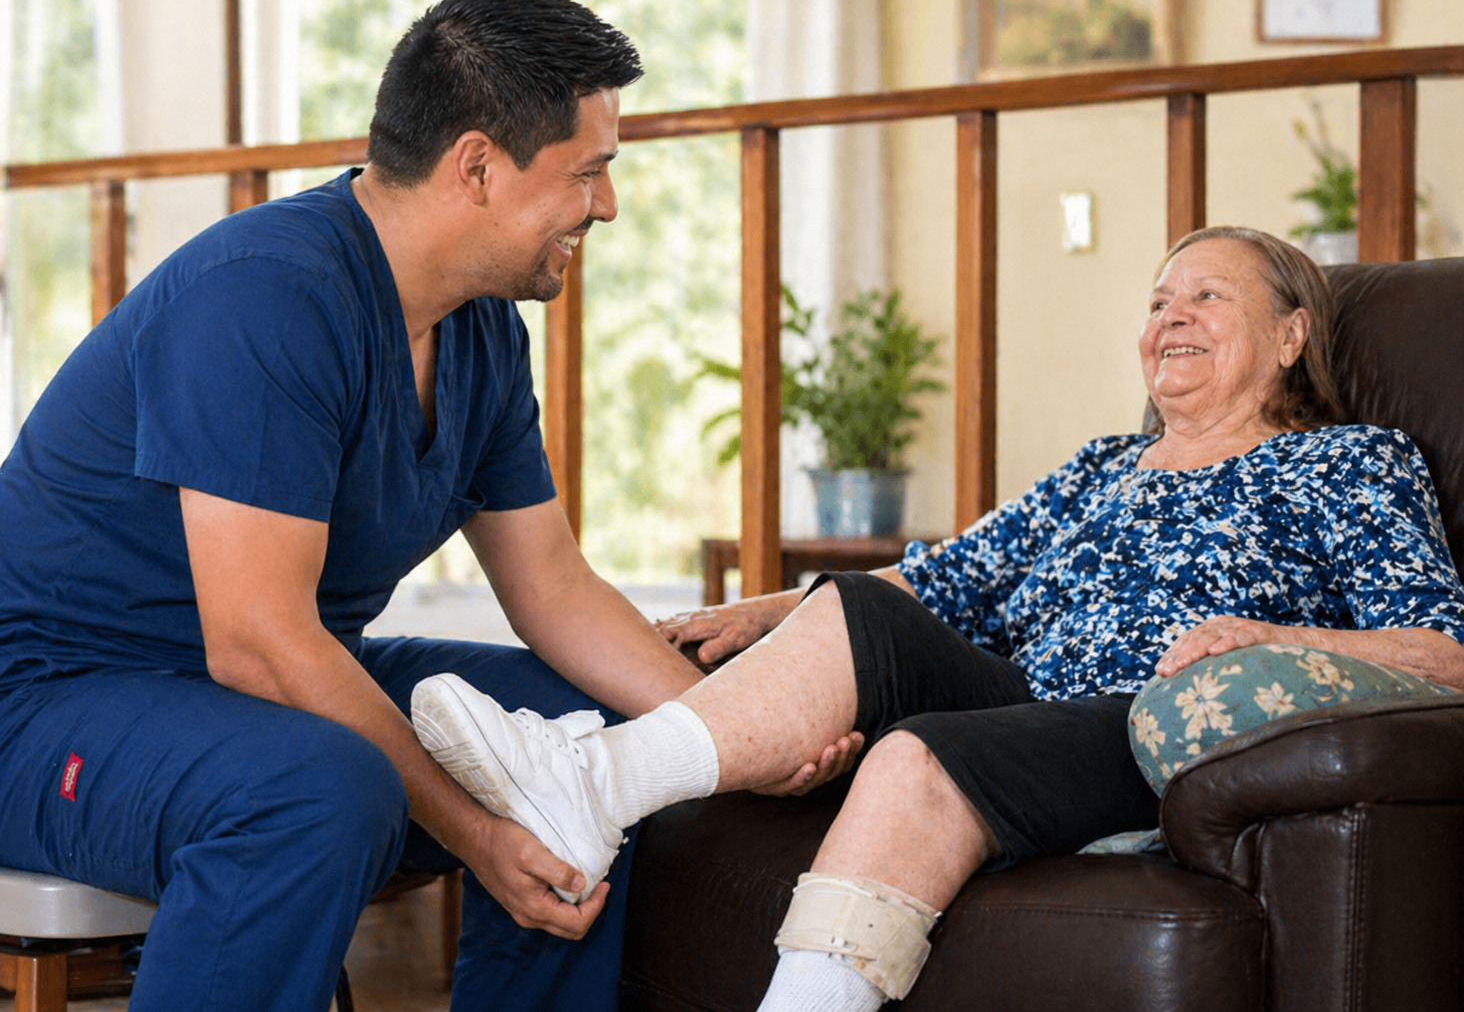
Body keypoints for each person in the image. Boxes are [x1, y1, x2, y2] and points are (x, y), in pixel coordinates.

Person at [0, 0, 821, 1012]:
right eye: (588, 172)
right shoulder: (266, 298)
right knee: (315, 791)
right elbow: (257, 643)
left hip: (236, 691)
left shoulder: (479, 332)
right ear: (475, 164)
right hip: (47, 700)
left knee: (587, 730)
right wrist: (480, 833)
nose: (606, 206)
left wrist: (738, 728)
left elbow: (554, 587)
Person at [413, 226, 1464, 1011]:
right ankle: (599, 785)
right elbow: (945, 578)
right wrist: (770, 613)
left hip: (1145, 727)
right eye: (1157, 300)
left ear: (1291, 334)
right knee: (863, 602)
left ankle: (592, 784)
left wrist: (1278, 642)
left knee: (917, 760)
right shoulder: (1105, 463)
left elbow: (1443, 651)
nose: (1169, 316)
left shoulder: (1347, 463)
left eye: (1207, 296)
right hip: (1021, 700)